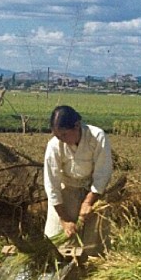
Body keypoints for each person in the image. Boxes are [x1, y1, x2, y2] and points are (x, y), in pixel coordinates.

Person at [43, 105, 113, 256]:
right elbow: (52, 184)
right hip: (65, 192)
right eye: (57, 135)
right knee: (57, 244)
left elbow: (103, 173)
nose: (61, 139)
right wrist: (64, 219)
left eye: (64, 134)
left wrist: (88, 202)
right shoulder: (54, 145)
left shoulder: (97, 137)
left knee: (93, 245)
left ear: (76, 126)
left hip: (93, 192)